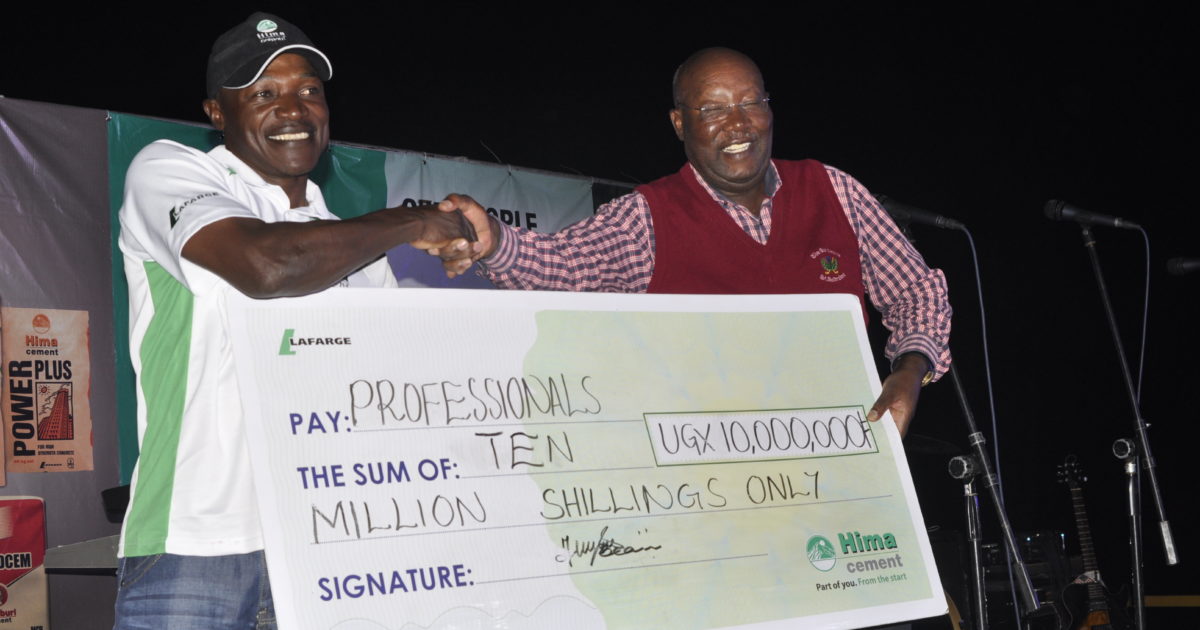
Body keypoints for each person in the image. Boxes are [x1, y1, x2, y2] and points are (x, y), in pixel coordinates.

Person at [114, 13, 472, 629]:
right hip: (193, 546)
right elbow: (266, 266)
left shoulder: (359, 253)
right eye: (263, 93)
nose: (292, 108)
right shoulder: (169, 171)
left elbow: (385, 403)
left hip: (326, 552)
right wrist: (412, 221)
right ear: (217, 112)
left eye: (309, 90)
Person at [432, 47, 951, 436]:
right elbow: (564, 265)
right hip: (709, 489)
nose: (738, 124)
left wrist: (910, 372)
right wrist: (494, 242)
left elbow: (917, 292)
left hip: (845, 465)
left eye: (751, 102)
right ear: (680, 123)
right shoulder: (649, 217)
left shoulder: (834, 190)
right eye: (713, 109)